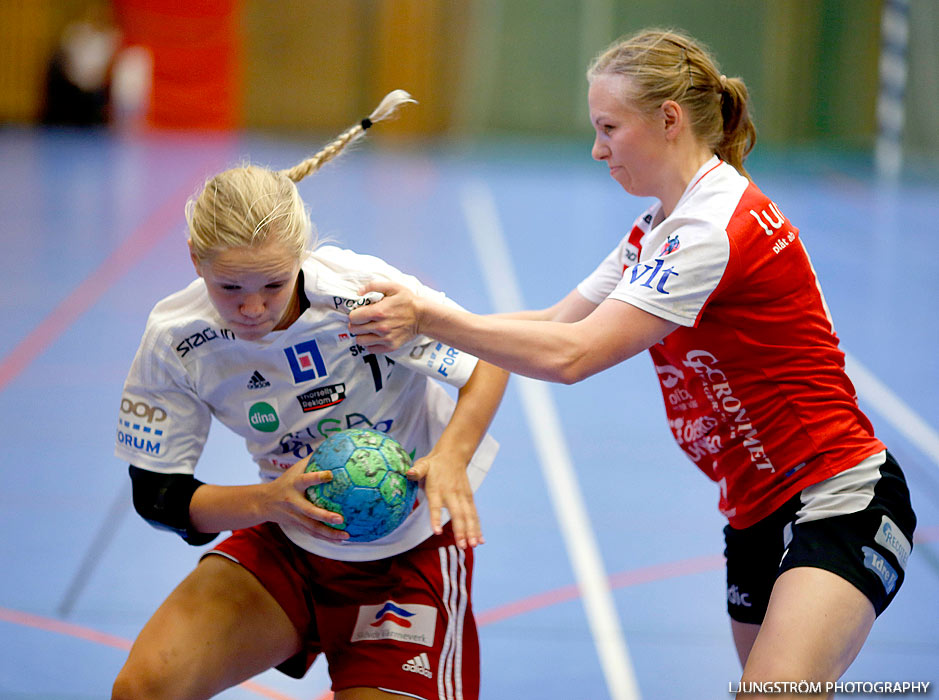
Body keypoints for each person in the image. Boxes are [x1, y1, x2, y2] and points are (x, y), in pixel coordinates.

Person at [348, 30, 917, 698]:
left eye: (609, 128)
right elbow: (557, 322)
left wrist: (430, 320)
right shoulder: (660, 227)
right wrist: (416, 318)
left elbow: (572, 357)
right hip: (753, 509)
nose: (598, 149)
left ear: (668, 120)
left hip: (836, 495)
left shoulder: (709, 229)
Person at [111, 90, 508, 700]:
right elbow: (158, 495)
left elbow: (488, 360)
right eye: (229, 287)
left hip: (407, 553)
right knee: (142, 690)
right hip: (289, 543)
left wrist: (452, 456)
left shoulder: (364, 299)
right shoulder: (178, 338)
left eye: (272, 284)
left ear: (301, 256)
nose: (252, 308)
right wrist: (269, 500)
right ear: (195, 259)